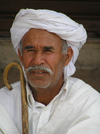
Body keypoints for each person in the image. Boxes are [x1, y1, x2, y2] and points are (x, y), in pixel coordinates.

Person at [0, 8, 100, 134]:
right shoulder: (3, 102)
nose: (37, 61)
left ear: (67, 57)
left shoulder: (89, 104)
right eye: (30, 50)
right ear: (20, 56)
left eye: (47, 51)